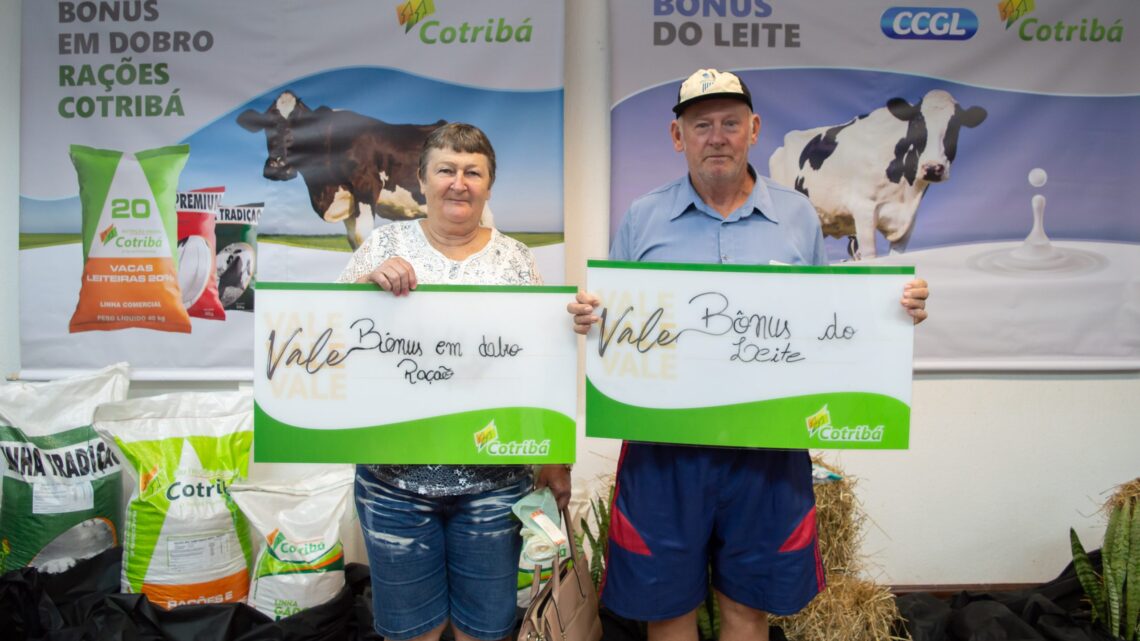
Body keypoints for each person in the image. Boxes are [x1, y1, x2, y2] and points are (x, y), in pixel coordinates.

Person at [567, 69, 929, 641]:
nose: (717, 136)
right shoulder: (643, 217)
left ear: (754, 129)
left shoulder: (797, 216)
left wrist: (891, 312)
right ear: (676, 136)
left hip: (767, 447)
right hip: (666, 447)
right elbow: (617, 323)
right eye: (701, 124)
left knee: (749, 608)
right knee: (667, 611)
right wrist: (592, 319)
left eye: (730, 124)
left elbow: (826, 322)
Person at [339, 122, 572, 641]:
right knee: (409, 632)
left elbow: (538, 363)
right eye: (446, 170)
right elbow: (327, 335)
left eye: (473, 172)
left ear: (489, 185)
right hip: (393, 484)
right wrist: (363, 284)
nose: (458, 183)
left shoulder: (516, 260)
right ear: (422, 180)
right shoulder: (383, 246)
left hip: (494, 485)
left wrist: (555, 457)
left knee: (484, 632)